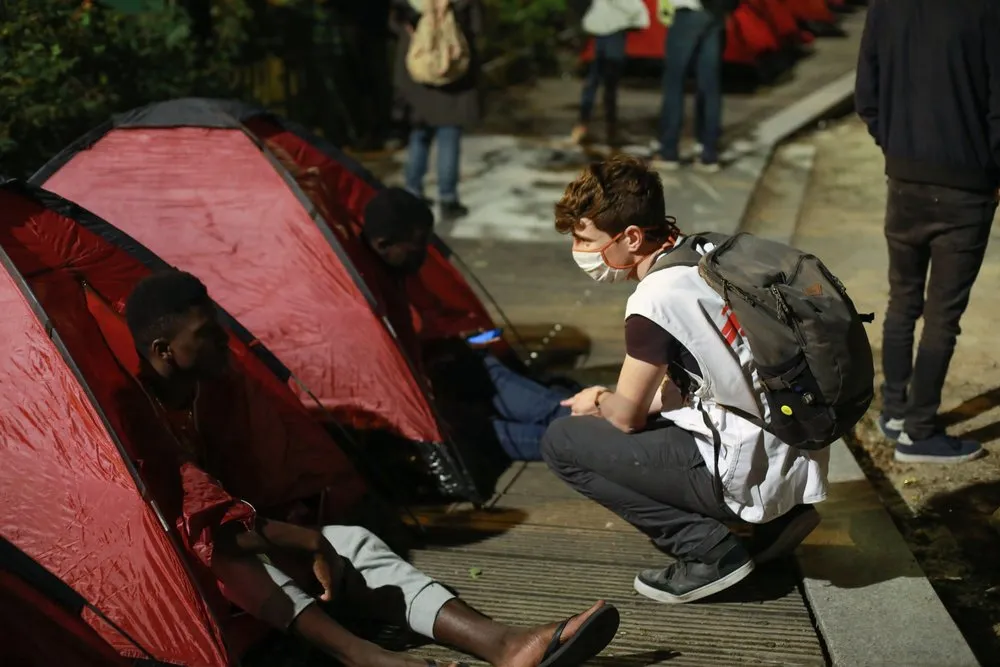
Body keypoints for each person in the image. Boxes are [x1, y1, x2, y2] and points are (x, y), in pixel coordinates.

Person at [123, 270, 620, 667]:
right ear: (164, 351)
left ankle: (505, 644)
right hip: (177, 575)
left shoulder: (212, 389)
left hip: (249, 530)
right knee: (232, 560)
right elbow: (207, 526)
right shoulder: (134, 411)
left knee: (354, 540)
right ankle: (365, 657)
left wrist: (307, 530)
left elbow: (261, 477)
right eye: (206, 334)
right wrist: (306, 541)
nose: (224, 341)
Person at [541, 156, 827, 604]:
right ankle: (776, 522)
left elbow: (627, 418)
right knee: (651, 416)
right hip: (792, 448)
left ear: (631, 237)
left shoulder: (655, 300)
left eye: (586, 239)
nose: (580, 251)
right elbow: (699, 378)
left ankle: (706, 550)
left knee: (562, 441)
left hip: (743, 467)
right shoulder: (707, 253)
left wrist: (596, 399)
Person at [856, 0, 999, 462]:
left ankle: (896, 410)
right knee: (942, 315)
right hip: (966, 185)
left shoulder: (886, 7)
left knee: (903, 300)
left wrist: (896, 149)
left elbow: (867, 97)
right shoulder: (987, 10)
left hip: (904, 178)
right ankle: (919, 432)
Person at [362, 187, 575, 461]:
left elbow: (437, 326)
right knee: (553, 431)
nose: (424, 255)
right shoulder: (366, 294)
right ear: (383, 244)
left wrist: (469, 340)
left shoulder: (398, 272)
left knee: (554, 410)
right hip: (442, 406)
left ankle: (607, 431)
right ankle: (606, 439)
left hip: (461, 367)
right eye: (417, 245)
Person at [390, 0, 483, 222]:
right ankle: (448, 198)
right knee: (449, 136)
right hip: (453, 74)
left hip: (416, 72)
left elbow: (393, 24)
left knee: (419, 134)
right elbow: (476, 26)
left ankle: (413, 192)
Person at [655, 0, 737, 172]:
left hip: (688, 13)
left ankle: (669, 151)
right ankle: (709, 154)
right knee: (709, 85)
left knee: (674, 82)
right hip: (714, 14)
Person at [570, 0, 650, 147]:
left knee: (595, 81)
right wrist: (640, 17)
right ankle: (609, 129)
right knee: (609, 83)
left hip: (601, 30)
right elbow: (631, 7)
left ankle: (584, 126)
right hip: (614, 32)